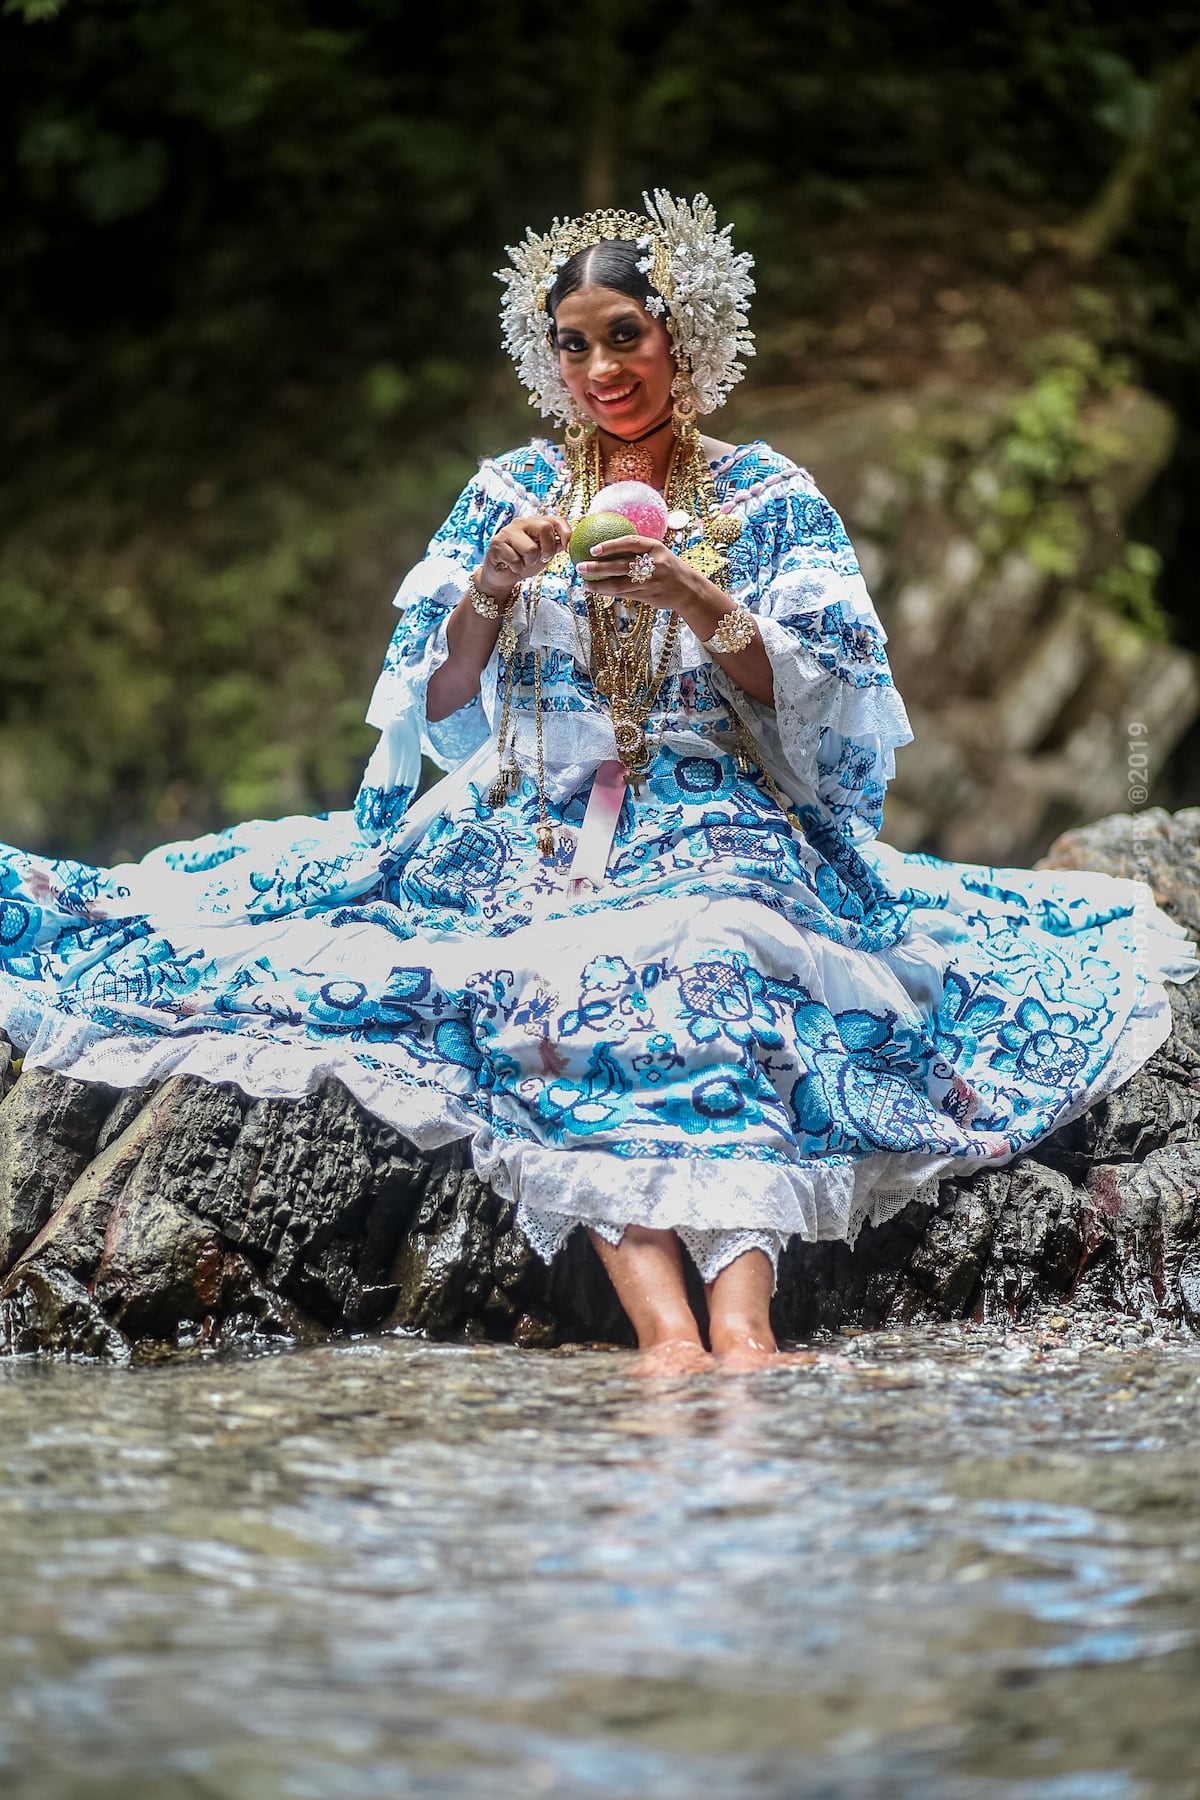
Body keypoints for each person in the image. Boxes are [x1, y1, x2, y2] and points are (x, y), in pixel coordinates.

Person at [0, 193, 1195, 1372]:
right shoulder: (508, 493)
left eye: (625, 334)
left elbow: (836, 701)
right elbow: (438, 698)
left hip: (720, 813)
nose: (600, 368)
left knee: (714, 955)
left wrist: (692, 593)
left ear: (688, 335)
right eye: (574, 343)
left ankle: (743, 1326)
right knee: (550, 978)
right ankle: (670, 1338)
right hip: (526, 820)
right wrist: (491, 588)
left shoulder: (768, 499)